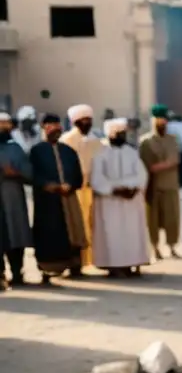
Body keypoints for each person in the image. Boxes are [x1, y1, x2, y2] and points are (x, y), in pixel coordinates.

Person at [30, 113, 86, 282]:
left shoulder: (68, 151)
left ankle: (75, 266)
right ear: (43, 128)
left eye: (57, 125)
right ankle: (48, 270)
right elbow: (33, 175)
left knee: (73, 230)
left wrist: (70, 185)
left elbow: (78, 175)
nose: (55, 129)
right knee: (50, 233)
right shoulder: (36, 151)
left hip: (68, 197)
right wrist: (49, 186)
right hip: (47, 201)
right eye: (50, 126)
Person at [90, 118, 149, 277]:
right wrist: (114, 190)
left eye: (123, 133)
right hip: (110, 202)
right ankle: (113, 266)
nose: (122, 136)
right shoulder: (100, 152)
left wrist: (133, 188)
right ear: (110, 134)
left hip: (131, 202)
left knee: (131, 233)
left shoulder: (131, 152)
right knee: (112, 234)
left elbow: (142, 174)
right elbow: (96, 179)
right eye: (119, 133)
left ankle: (131, 264)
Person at [60, 104, 103, 271]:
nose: (86, 123)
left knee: (94, 225)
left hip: (94, 189)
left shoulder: (96, 141)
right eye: (82, 120)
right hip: (74, 190)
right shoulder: (67, 140)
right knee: (76, 225)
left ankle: (93, 259)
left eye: (88, 120)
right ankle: (76, 262)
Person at [139, 105, 182, 259]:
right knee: (153, 220)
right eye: (159, 120)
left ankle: (171, 246)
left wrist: (160, 165)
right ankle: (154, 247)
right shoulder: (146, 142)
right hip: (153, 186)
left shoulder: (173, 140)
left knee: (172, 219)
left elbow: (175, 160)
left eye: (164, 120)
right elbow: (146, 166)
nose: (162, 123)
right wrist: (165, 164)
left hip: (170, 185)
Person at [0, 112, 32, 288]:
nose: (4, 128)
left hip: (13, 200)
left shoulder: (16, 148)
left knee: (16, 236)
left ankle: (17, 272)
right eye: (1, 125)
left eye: (6, 125)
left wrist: (17, 173)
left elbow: (29, 172)